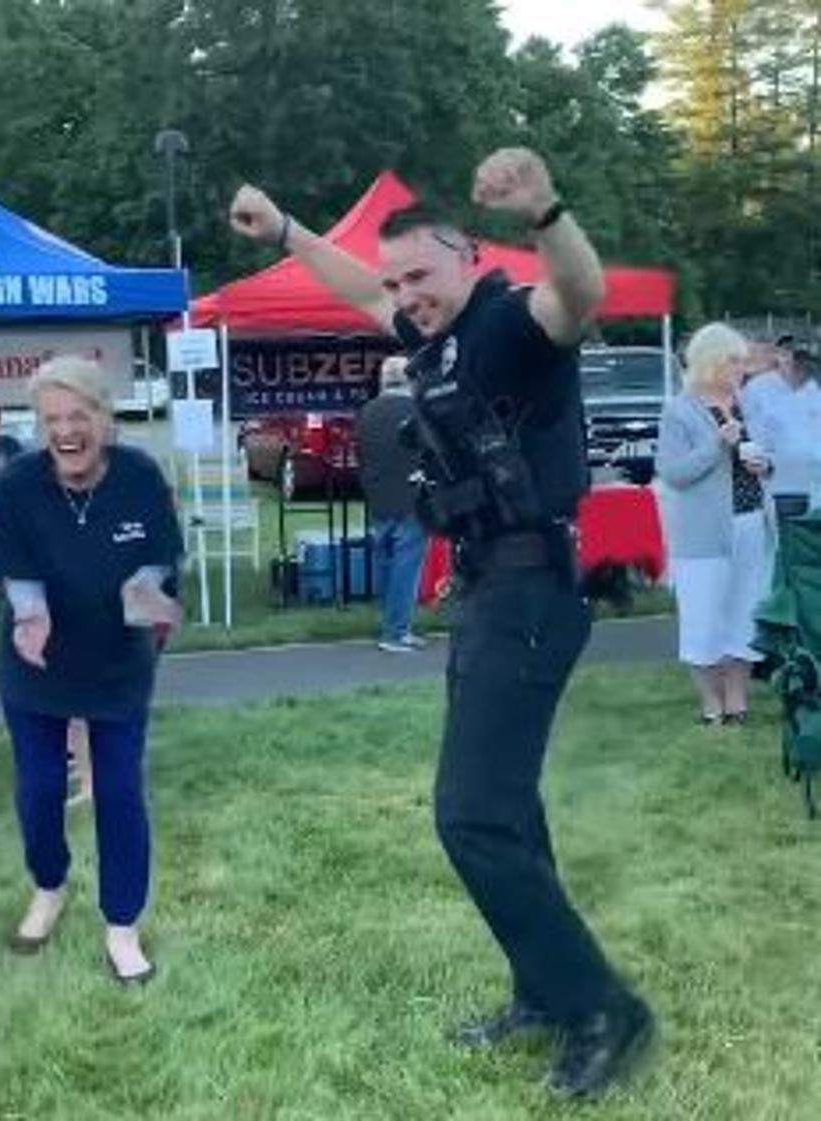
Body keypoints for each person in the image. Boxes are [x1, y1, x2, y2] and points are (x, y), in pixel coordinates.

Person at [229, 148, 653, 1098]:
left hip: (535, 590)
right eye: (398, 281)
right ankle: (544, 993)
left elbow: (578, 294)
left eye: (422, 274)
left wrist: (548, 211)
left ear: (467, 256)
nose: (407, 295)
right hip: (487, 589)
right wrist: (292, 233)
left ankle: (605, 1008)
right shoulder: (432, 341)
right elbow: (356, 290)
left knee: (470, 815)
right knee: (510, 809)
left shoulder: (510, 325)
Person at [0, 355, 183, 983]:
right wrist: (29, 616)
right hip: (35, 663)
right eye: (52, 419)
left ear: (105, 418)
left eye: (79, 416)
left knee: (120, 792)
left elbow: (160, 559)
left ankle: (122, 926)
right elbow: (14, 570)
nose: (66, 431)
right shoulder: (17, 483)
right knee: (41, 786)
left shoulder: (139, 476)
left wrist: (148, 598)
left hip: (118, 662)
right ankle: (48, 887)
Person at [656, 323, 772, 724]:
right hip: (702, 533)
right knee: (704, 617)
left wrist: (764, 464)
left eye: (743, 361)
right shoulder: (680, 410)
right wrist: (716, 444)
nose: (742, 368)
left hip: (751, 523)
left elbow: (766, 453)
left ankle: (738, 702)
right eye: (734, 360)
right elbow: (673, 473)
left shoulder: (747, 404)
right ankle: (711, 705)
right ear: (711, 361)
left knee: (746, 613)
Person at [355, 355, 428, 652]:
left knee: (386, 564)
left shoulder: (366, 411)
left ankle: (393, 625)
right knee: (406, 567)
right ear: (410, 378)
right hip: (411, 497)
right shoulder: (417, 410)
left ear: (383, 380)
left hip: (377, 497)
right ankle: (395, 632)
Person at [742, 336, 821, 514]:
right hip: (776, 488)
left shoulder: (815, 388)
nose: (798, 364)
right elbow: (745, 437)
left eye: (805, 358)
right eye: (793, 356)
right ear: (780, 356)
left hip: (815, 488)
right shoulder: (757, 390)